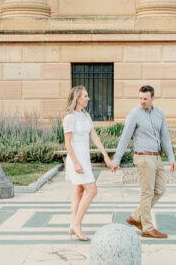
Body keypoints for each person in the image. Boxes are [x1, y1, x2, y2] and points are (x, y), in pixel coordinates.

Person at [110, 84, 175, 239]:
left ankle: (135, 216)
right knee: (147, 192)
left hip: (157, 157)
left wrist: (171, 157)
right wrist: (116, 159)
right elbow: (125, 137)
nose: (142, 101)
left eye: (145, 98)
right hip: (143, 157)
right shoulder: (134, 114)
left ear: (153, 98)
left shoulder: (160, 113)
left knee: (160, 190)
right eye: (140, 98)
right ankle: (147, 227)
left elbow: (165, 136)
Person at [62, 85, 117, 241]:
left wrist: (106, 156)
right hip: (76, 159)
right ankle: (77, 224)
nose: (88, 98)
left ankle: (73, 225)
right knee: (92, 191)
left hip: (85, 158)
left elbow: (95, 137)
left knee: (79, 191)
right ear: (78, 98)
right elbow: (68, 144)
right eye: (85, 96)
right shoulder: (69, 118)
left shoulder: (86, 116)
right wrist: (76, 163)